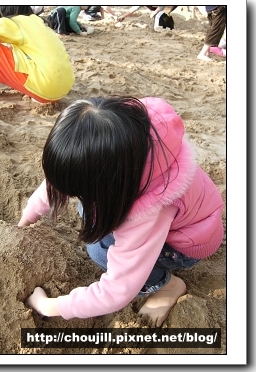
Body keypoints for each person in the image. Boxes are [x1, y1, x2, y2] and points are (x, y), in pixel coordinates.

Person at [18, 96, 224, 327]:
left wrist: (50, 306)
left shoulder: (149, 208)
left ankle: (168, 287)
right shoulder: (125, 137)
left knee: (99, 249)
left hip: (186, 246)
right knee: (89, 214)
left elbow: (118, 290)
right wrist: (26, 220)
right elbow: (63, 176)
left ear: (110, 184)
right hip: (189, 214)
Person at [0, 6, 75, 103]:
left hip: (46, 87)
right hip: (64, 87)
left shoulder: (15, 22)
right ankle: (37, 94)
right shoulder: (38, 22)